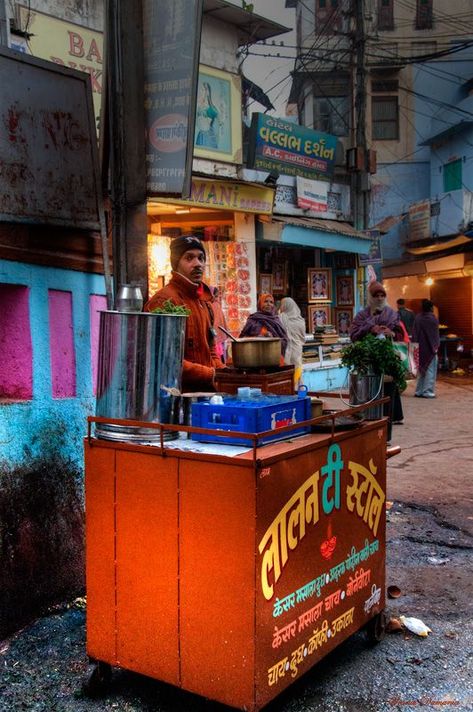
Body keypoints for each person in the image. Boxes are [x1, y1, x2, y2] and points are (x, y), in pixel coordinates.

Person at [145, 235, 223, 391]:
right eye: (189, 258)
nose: (198, 264)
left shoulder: (203, 301)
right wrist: (210, 374)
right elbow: (164, 359)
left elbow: (211, 348)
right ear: (176, 264)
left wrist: (223, 371)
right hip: (176, 395)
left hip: (205, 393)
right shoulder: (164, 301)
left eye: (201, 258)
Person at [350, 281, 404, 427]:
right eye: (376, 295)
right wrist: (370, 327)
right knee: (370, 387)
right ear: (371, 298)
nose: (379, 298)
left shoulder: (392, 314)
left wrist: (391, 333)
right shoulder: (362, 315)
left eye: (382, 295)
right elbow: (353, 334)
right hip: (368, 359)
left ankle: (391, 417)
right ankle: (369, 416)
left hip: (387, 357)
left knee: (389, 387)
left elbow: (400, 334)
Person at [412, 299, 440, 398]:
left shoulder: (418, 318)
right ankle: (428, 391)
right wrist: (435, 346)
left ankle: (419, 391)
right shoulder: (433, 319)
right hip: (430, 347)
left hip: (419, 347)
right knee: (430, 370)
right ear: (431, 307)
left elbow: (414, 332)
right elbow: (434, 335)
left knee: (421, 370)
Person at [279, 297, 307, 388]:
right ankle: (299, 389)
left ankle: (289, 389)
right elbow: (303, 337)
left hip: (285, 350)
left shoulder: (281, 317)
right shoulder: (300, 320)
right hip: (298, 349)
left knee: (287, 371)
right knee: (298, 369)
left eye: (282, 305)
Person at [195, 82, 219, 149]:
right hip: (201, 136)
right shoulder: (198, 106)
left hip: (208, 138)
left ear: (207, 92)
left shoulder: (210, 108)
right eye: (201, 90)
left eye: (203, 90)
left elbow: (215, 116)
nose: (200, 92)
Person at [211, 286, 228, 363]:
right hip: (216, 338)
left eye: (217, 296)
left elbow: (220, 322)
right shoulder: (213, 305)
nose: (217, 298)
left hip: (217, 338)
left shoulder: (215, 305)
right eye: (215, 296)